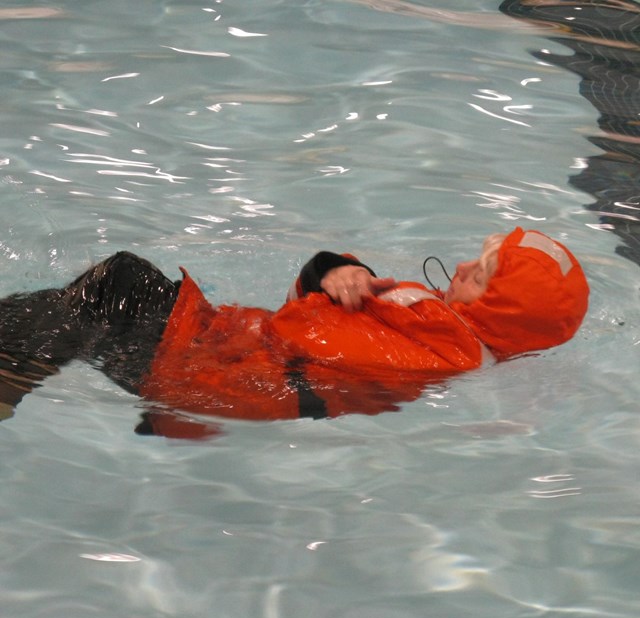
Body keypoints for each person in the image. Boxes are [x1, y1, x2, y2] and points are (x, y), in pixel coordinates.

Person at [0, 227, 589, 437]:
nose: (461, 268)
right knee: (113, 286)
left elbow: (307, 340)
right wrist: (332, 270)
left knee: (117, 284)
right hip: (217, 359)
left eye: (480, 275)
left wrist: (328, 281)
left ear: (501, 314)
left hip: (202, 367)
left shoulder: (441, 349)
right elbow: (306, 305)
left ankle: (6, 381)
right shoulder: (437, 325)